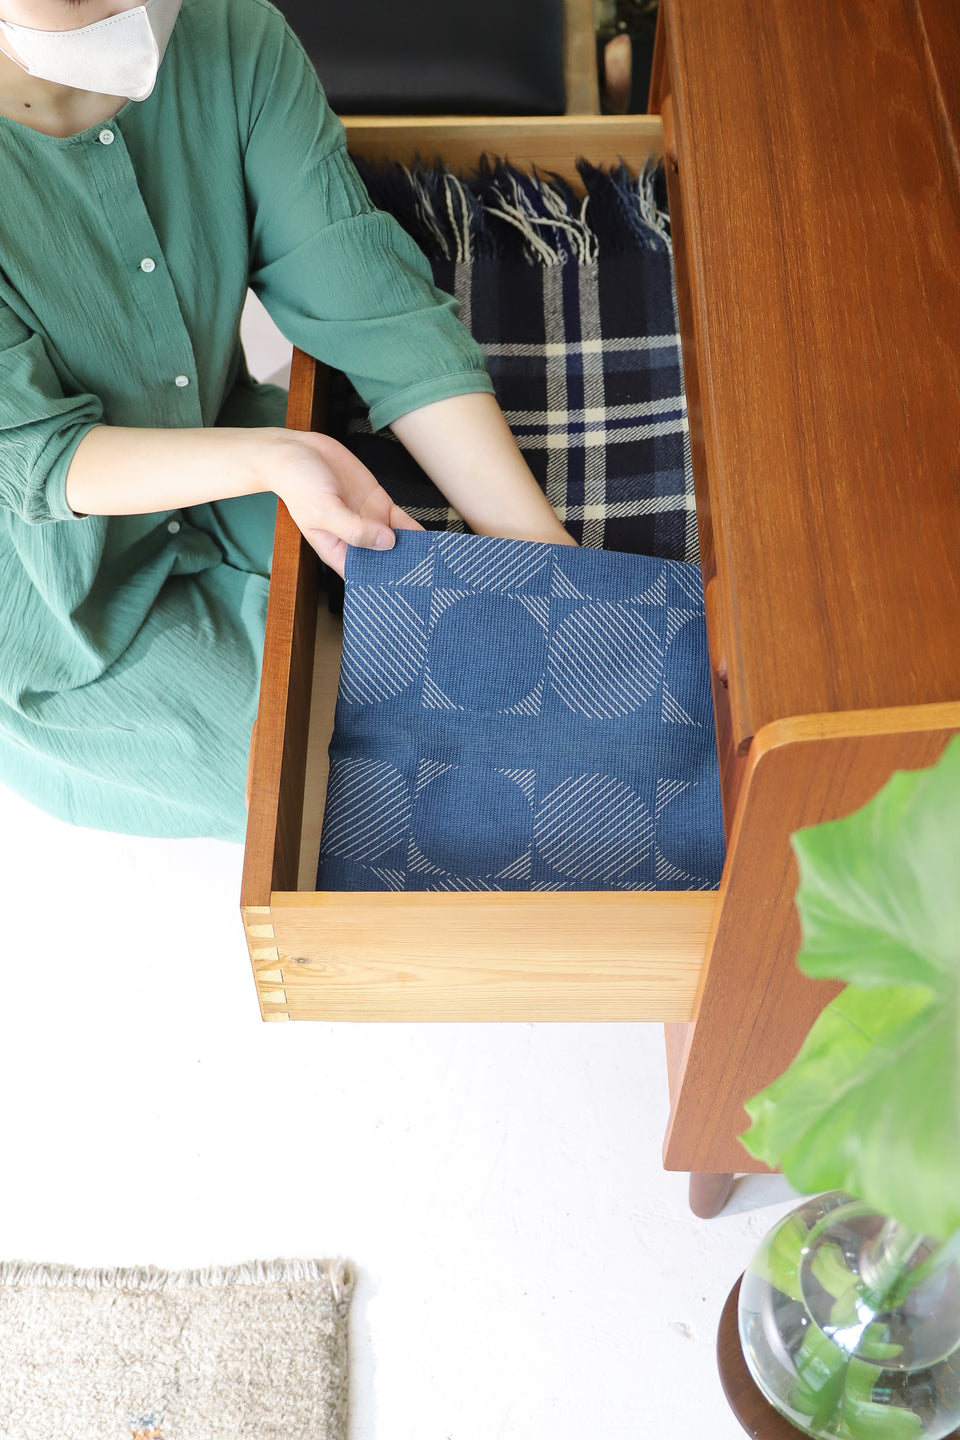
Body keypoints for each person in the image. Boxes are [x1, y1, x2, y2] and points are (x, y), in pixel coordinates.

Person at [0, 0, 575, 844]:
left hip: (230, 450)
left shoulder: (231, 34)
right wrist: (271, 459)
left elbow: (372, 308)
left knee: (468, 650)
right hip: (51, 600)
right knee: (363, 786)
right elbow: (34, 457)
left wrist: (548, 563)